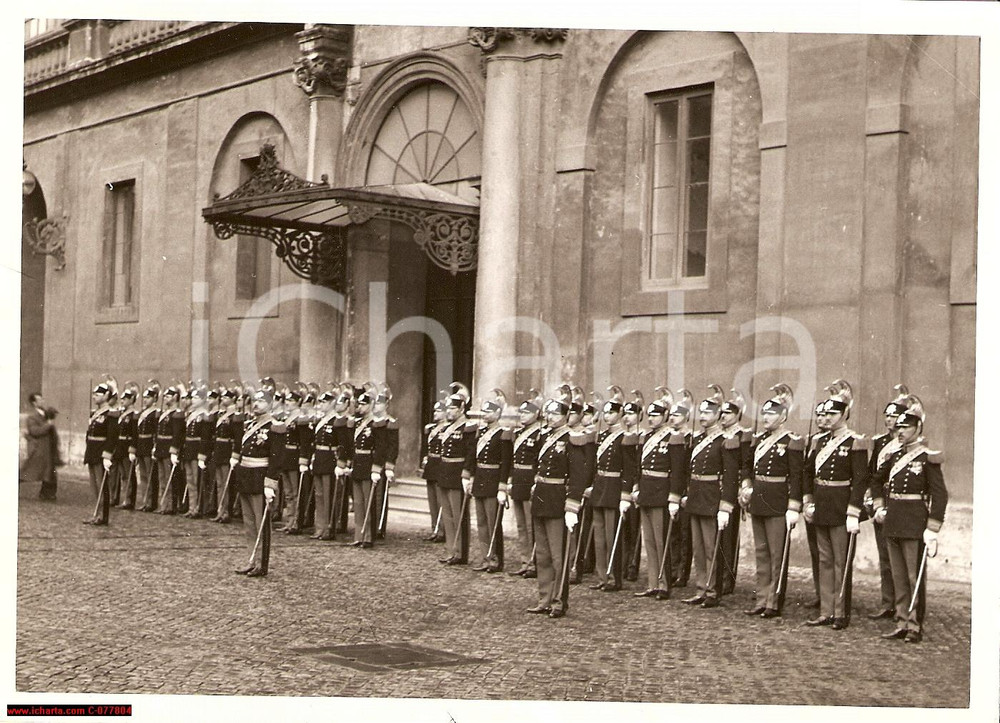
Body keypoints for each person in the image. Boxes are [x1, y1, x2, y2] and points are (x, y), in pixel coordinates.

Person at [869, 395, 947, 644]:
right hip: (893, 521)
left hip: (915, 523)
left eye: (906, 428)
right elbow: (876, 480)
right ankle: (902, 620)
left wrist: (933, 527)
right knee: (898, 575)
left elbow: (940, 495)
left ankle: (914, 624)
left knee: (914, 576)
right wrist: (879, 506)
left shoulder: (927, 458)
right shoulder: (893, 456)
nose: (901, 432)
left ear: (918, 429)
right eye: (899, 427)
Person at [802, 379, 868, 630]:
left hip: (841, 509)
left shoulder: (855, 442)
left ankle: (841, 612)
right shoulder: (819, 442)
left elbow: (860, 480)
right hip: (821, 507)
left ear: (844, 414)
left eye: (833, 414)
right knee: (825, 561)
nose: (827, 418)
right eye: (825, 414)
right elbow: (808, 473)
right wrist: (808, 502)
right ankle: (826, 610)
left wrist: (854, 512)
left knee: (841, 562)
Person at [740, 384, 804, 619]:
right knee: (761, 552)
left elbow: (796, 476)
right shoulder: (758, 440)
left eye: (771, 414)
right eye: (764, 414)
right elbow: (746, 465)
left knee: (777, 554)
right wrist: (746, 485)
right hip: (758, 499)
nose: (765, 418)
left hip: (778, 502)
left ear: (783, 416)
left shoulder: (791, 441)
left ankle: (774, 601)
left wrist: (793, 506)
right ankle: (761, 597)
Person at [527, 385, 588, 618]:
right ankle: (544, 597)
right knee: (542, 554)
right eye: (549, 413)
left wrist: (572, 505)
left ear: (565, 417)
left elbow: (578, 475)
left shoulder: (573, 439)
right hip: (542, 497)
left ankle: (559, 601)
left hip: (558, 500)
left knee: (557, 555)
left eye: (555, 414)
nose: (550, 417)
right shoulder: (545, 436)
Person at [680, 385, 740, 608]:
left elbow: (731, 476)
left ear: (717, 416)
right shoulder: (697, 440)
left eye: (707, 413)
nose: (702, 417)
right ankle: (701, 587)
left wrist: (726, 506)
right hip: (696, 496)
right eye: (701, 413)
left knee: (710, 546)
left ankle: (713, 590)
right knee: (698, 547)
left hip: (712, 498)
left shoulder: (726, 441)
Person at [632, 387, 685, 600]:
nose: (652, 419)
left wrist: (674, 497)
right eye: (650, 416)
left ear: (665, 417)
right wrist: (636, 488)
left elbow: (678, 471)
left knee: (661, 540)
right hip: (646, 491)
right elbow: (639, 466)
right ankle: (653, 582)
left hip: (662, 493)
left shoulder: (674, 438)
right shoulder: (645, 437)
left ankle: (664, 584)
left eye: (656, 416)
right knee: (650, 542)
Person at [865, 384, 910, 620]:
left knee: (901, 558)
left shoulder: (908, 444)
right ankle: (888, 601)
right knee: (885, 555)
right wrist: (871, 498)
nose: (890, 420)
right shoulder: (882, 442)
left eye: (895, 416)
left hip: (899, 501)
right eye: (888, 416)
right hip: (881, 499)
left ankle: (905, 604)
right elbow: (873, 471)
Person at [230, 386, 285, 577]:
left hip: (261, 477)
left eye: (261, 401)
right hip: (246, 476)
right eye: (255, 401)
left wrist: (271, 484)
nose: (256, 404)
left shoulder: (275, 427)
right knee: (249, 522)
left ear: (270, 405)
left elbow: (277, 458)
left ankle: (262, 563)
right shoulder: (249, 425)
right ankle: (250, 559)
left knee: (261, 521)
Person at [588, 386, 635, 593]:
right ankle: (601, 575)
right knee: (599, 535)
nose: (607, 416)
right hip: (599, 487)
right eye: (605, 412)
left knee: (611, 533)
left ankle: (613, 576)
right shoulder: (602, 436)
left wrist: (625, 494)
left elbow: (629, 468)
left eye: (611, 412)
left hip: (614, 488)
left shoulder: (625, 438)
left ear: (620, 414)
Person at [468, 389, 513, 572]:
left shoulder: (503, 434)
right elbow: (474, 457)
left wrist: (503, 487)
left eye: (489, 412)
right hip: (480, 479)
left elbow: (506, 462)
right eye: (484, 412)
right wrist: (471, 477)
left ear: (497, 413)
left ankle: (496, 559)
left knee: (493, 521)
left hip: (494, 480)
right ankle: (486, 556)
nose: (485, 415)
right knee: (481, 522)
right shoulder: (481, 433)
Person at [503, 389, 544, 577]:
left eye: (527, 413)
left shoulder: (540, 434)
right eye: (521, 412)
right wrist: (510, 479)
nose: (523, 416)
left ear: (536, 414)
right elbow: (512, 459)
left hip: (530, 480)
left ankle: (534, 563)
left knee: (530, 524)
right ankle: (525, 560)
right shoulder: (518, 433)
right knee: (520, 524)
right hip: (518, 479)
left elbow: (539, 461)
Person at [435, 383, 477, 564]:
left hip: (458, 474)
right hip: (445, 473)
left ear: (461, 409)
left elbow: (470, 453)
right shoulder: (446, 428)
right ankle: (451, 550)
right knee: (448, 515)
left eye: (453, 408)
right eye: (448, 408)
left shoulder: (468, 428)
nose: (449, 412)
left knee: (459, 514)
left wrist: (467, 474)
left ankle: (460, 553)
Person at [719, 388, 752, 596]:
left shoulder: (743, 435)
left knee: (729, 537)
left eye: (728, 413)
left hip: (732, 489)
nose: (723, 416)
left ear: (737, 414)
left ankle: (727, 578)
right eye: (721, 413)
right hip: (715, 487)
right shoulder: (718, 435)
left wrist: (742, 489)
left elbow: (745, 464)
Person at [666, 389, 694, 588]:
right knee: (673, 533)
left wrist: (686, 493)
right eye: (672, 415)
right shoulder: (670, 437)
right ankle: (673, 569)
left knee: (685, 535)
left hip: (685, 491)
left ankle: (683, 573)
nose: (672, 419)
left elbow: (687, 469)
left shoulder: (691, 439)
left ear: (685, 417)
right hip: (671, 491)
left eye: (676, 415)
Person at [83, 377, 119, 525]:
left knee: (102, 485)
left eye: (98, 394)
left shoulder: (111, 414)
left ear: (106, 396)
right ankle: (96, 514)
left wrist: (107, 456)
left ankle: (103, 516)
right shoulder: (94, 413)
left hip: (101, 452)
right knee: (94, 486)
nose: (94, 397)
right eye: (94, 394)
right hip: (92, 451)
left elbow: (112, 437)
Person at [309, 387, 339, 540]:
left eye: (325, 402)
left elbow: (341, 443)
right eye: (321, 402)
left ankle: (328, 528)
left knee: (328, 496)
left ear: (332, 403)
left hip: (329, 458)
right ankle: (319, 527)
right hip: (319, 457)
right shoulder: (320, 420)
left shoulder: (336, 421)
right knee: (319, 495)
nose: (321, 405)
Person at [370, 383, 399, 541]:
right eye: (376, 402)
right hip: (370, 460)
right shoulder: (372, 421)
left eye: (380, 402)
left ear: (387, 404)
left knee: (380, 496)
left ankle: (379, 528)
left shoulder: (391, 422)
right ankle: (371, 525)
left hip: (381, 463)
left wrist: (389, 466)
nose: (377, 405)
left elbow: (393, 447)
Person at [211, 384, 242, 523]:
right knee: (219, 483)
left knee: (226, 484)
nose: (223, 399)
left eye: (226, 397)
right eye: (222, 396)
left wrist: (235, 454)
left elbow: (238, 437)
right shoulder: (220, 414)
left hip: (227, 451)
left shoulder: (235, 416)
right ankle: (220, 511)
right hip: (219, 450)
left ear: (233, 399)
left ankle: (225, 513)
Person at [181, 384, 213, 519]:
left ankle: (199, 507)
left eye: (196, 397)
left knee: (197, 480)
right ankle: (191, 507)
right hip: (188, 449)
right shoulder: (190, 414)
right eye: (193, 397)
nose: (193, 400)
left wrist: (202, 454)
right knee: (190, 480)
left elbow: (206, 437)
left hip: (197, 450)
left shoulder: (204, 416)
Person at [154, 383, 186, 515]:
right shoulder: (165, 413)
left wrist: (174, 451)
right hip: (161, 447)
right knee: (162, 478)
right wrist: (156, 446)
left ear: (175, 397)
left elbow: (178, 434)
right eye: (165, 396)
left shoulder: (177, 414)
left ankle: (171, 505)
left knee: (169, 478)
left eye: (168, 396)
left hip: (169, 448)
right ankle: (164, 504)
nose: (165, 398)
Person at [420, 396, 448, 543]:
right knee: (432, 500)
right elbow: (428, 447)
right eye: (435, 411)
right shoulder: (431, 428)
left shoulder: (447, 429)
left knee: (440, 500)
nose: (435, 413)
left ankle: (442, 530)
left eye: (439, 411)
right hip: (431, 464)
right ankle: (435, 529)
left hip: (440, 465)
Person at [21, 392, 60, 500]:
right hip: (39, 449)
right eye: (39, 400)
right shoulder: (32, 417)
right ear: (34, 403)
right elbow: (35, 431)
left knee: (50, 471)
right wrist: (48, 424)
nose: (42, 401)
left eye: (42, 399)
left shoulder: (45, 414)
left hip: (48, 448)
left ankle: (48, 493)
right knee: (29, 470)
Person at [135, 381, 160, 512]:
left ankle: (151, 502)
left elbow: (156, 431)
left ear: (155, 398)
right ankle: (145, 500)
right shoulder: (143, 413)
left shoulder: (155, 413)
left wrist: (155, 446)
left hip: (149, 444)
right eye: (144, 398)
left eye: (148, 398)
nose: (145, 400)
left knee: (151, 475)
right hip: (141, 446)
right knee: (143, 475)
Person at [114, 383, 140, 509]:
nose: (122, 401)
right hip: (120, 446)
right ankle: (124, 498)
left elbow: (135, 433)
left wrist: (133, 449)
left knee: (129, 474)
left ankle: (129, 500)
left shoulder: (134, 415)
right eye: (122, 399)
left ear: (131, 400)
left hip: (128, 446)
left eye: (125, 399)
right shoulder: (122, 414)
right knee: (123, 475)